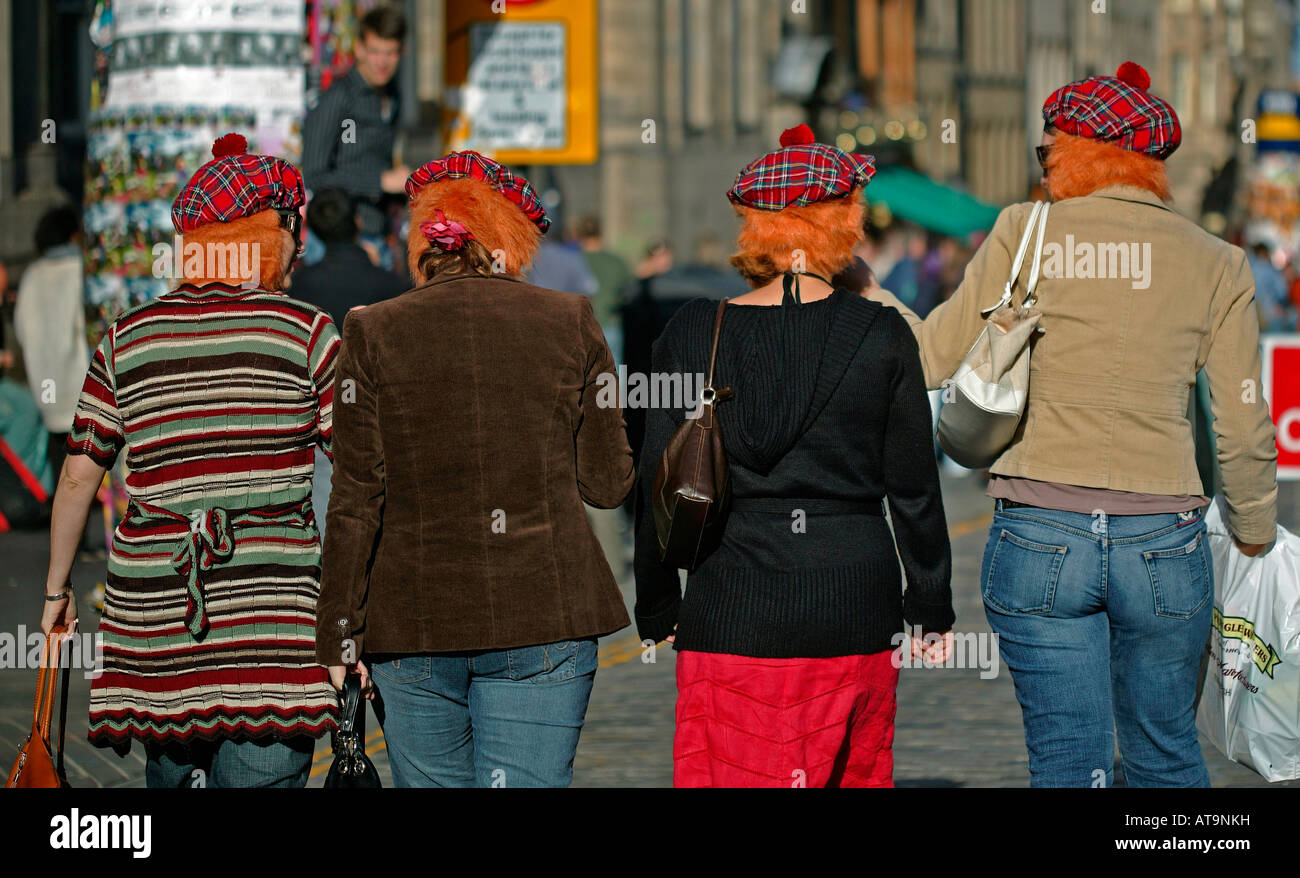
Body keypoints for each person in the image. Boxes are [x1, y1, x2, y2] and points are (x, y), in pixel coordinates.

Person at [868, 62, 1278, 787]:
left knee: (1067, 760)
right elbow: (1244, 426)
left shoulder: (1024, 232)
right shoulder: (1219, 263)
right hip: (1162, 535)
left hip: (1039, 527)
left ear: (1077, 152)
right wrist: (1250, 531)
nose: (1043, 165)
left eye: (1047, 150)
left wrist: (869, 294)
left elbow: (930, 356)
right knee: (1165, 753)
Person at [634, 125, 955, 788]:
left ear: (753, 227)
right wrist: (929, 603)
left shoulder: (694, 331)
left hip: (730, 607)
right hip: (854, 607)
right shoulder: (881, 333)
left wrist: (660, 601)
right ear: (845, 224)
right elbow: (915, 489)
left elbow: (657, 480)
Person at [316, 150, 635, 788]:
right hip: (544, 612)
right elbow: (607, 484)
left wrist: (339, 634)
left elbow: (355, 498)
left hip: (412, 622)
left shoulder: (371, 330)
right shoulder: (568, 320)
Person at [40, 133, 341, 787]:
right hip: (270, 631)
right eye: (292, 230)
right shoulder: (307, 333)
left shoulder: (127, 338)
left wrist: (57, 589)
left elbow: (79, 474)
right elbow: (364, 467)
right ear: (273, 234)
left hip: (163, 626)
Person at [289, 188, 408, 539]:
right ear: (357, 223)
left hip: (317, 417)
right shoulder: (392, 286)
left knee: (329, 518)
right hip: (379, 416)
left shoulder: (298, 287)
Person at [301, 4, 410, 269]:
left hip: (379, 237)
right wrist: (381, 182)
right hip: (335, 241)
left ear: (402, 52)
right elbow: (314, 174)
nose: (382, 62)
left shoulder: (393, 96)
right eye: (374, 51)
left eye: (390, 52)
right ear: (359, 48)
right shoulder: (337, 98)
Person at [13, 206, 89, 480]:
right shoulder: (79, 270)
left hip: (47, 389)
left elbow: (22, 331)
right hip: (80, 389)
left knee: (63, 476)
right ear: (73, 236)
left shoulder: (32, 274)